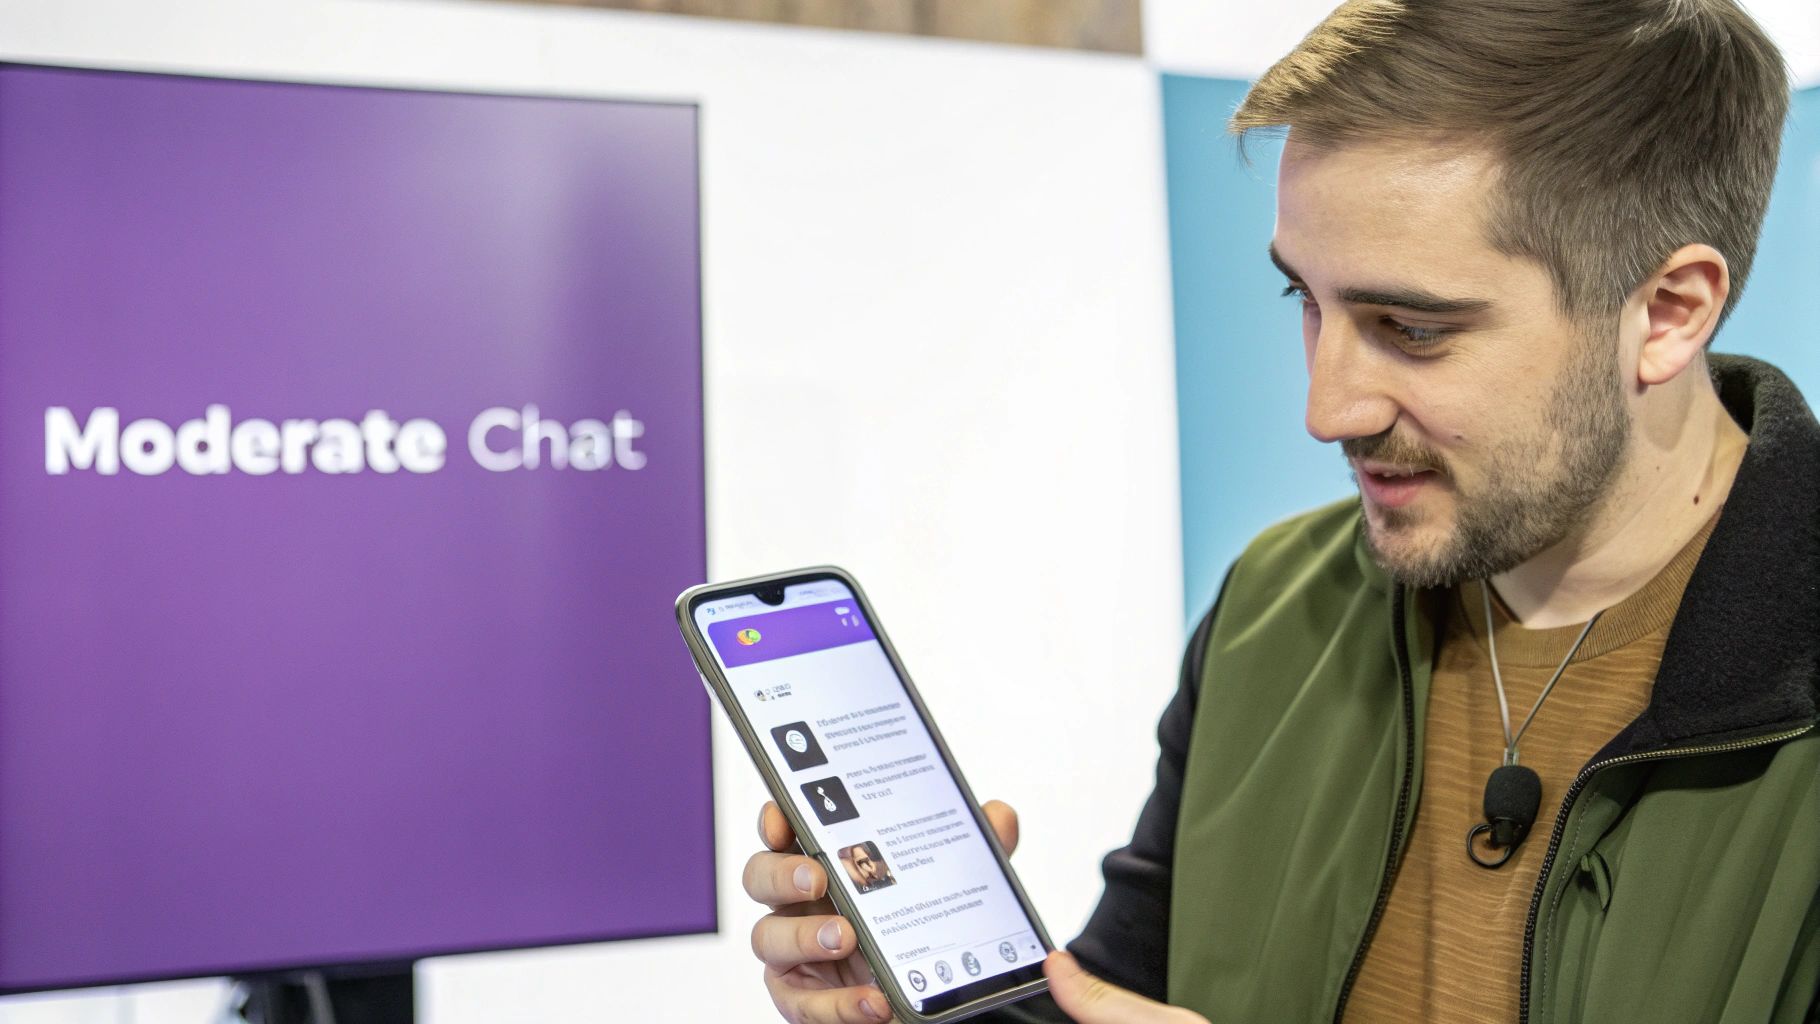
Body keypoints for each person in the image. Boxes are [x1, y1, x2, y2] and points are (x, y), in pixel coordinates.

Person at [740, 0, 1820, 1020]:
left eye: (1410, 327)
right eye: (1304, 299)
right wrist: (919, 995)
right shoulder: (1274, 607)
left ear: (1667, 313)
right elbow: (1125, 985)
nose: (1324, 408)